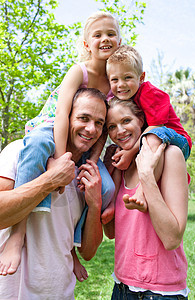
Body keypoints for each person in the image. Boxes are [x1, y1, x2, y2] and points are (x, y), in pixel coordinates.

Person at [0, 11, 121, 278]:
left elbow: (101, 132)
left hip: (85, 143)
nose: (105, 39)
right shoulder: (80, 71)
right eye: (97, 35)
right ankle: (17, 235)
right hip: (51, 127)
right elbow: (62, 112)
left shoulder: (115, 81)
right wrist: (60, 157)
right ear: (87, 44)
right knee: (35, 151)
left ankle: (72, 249)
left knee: (107, 187)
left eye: (111, 34)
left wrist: (91, 161)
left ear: (119, 41)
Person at [0, 88, 107, 299]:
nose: (91, 129)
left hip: (60, 292)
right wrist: (50, 180)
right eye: (83, 118)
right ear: (66, 117)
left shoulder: (88, 175)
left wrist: (95, 205)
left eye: (99, 123)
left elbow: (88, 252)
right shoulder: (19, 152)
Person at [104, 97, 190, 299]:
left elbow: (171, 239)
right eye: (111, 126)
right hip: (122, 286)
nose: (120, 131)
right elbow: (111, 232)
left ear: (141, 120)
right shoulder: (120, 165)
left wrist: (147, 177)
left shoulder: (170, 155)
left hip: (160, 292)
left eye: (126, 121)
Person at [105, 45, 192, 208]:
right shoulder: (128, 98)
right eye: (115, 80)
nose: (121, 85)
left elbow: (156, 126)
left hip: (178, 140)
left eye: (127, 77)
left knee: (152, 135)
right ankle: (111, 205)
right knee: (115, 150)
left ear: (141, 77)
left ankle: (143, 191)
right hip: (157, 138)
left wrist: (130, 153)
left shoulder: (150, 93)